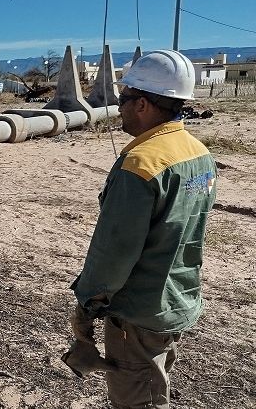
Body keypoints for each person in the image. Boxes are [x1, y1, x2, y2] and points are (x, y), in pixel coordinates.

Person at [67, 50, 217, 408]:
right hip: (175, 300)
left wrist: (88, 301)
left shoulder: (140, 164)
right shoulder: (198, 153)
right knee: (154, 381)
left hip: (139, 312)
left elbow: (115, 251)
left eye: (124, 98)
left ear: (144, 105)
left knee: (138, 399)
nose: (118, 106)